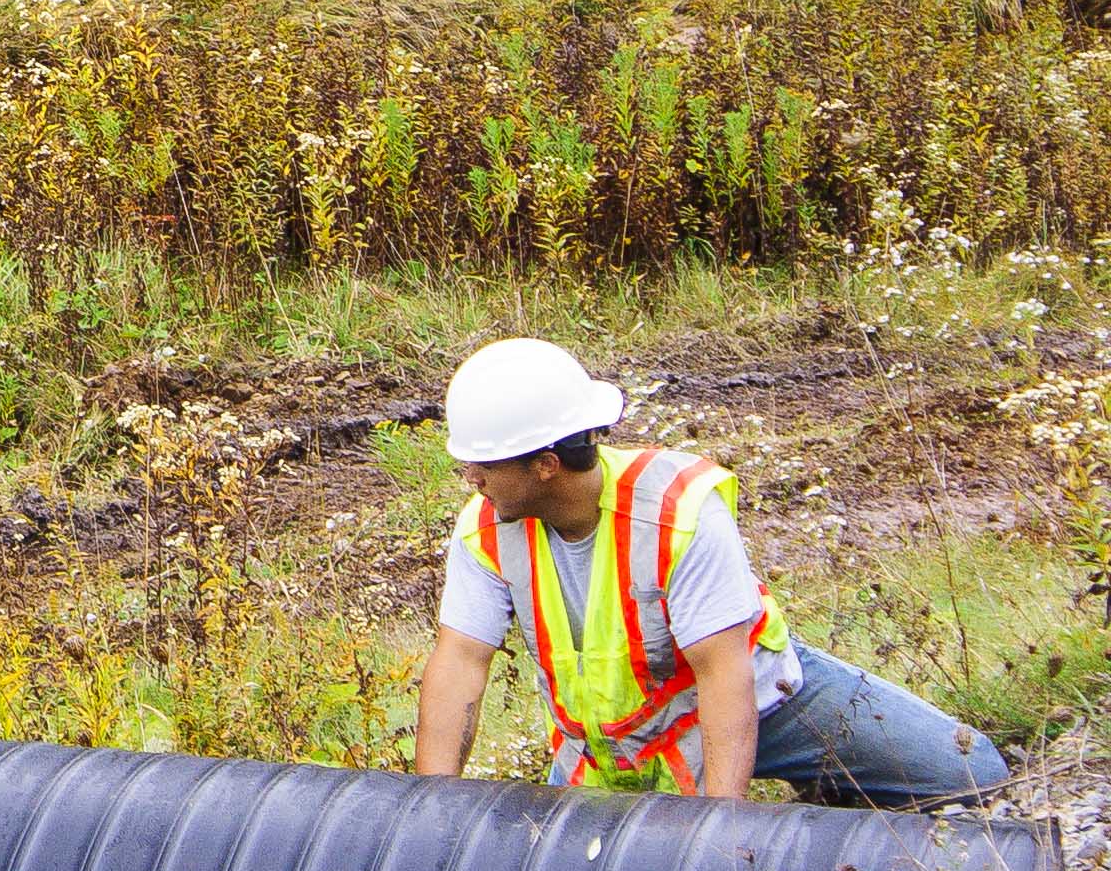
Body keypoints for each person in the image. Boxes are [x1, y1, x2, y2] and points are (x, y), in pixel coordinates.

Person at [413, 335, 1007, 805]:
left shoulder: (678, 514)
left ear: (545, 464)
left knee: (972, 773)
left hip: (761, 706)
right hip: (612, 752)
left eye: (483, 464)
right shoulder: (486, 528)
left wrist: (720, 832)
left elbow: (725, 674)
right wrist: (435, 808)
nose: (470, 477)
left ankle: (823, 788)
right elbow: (461, 662)